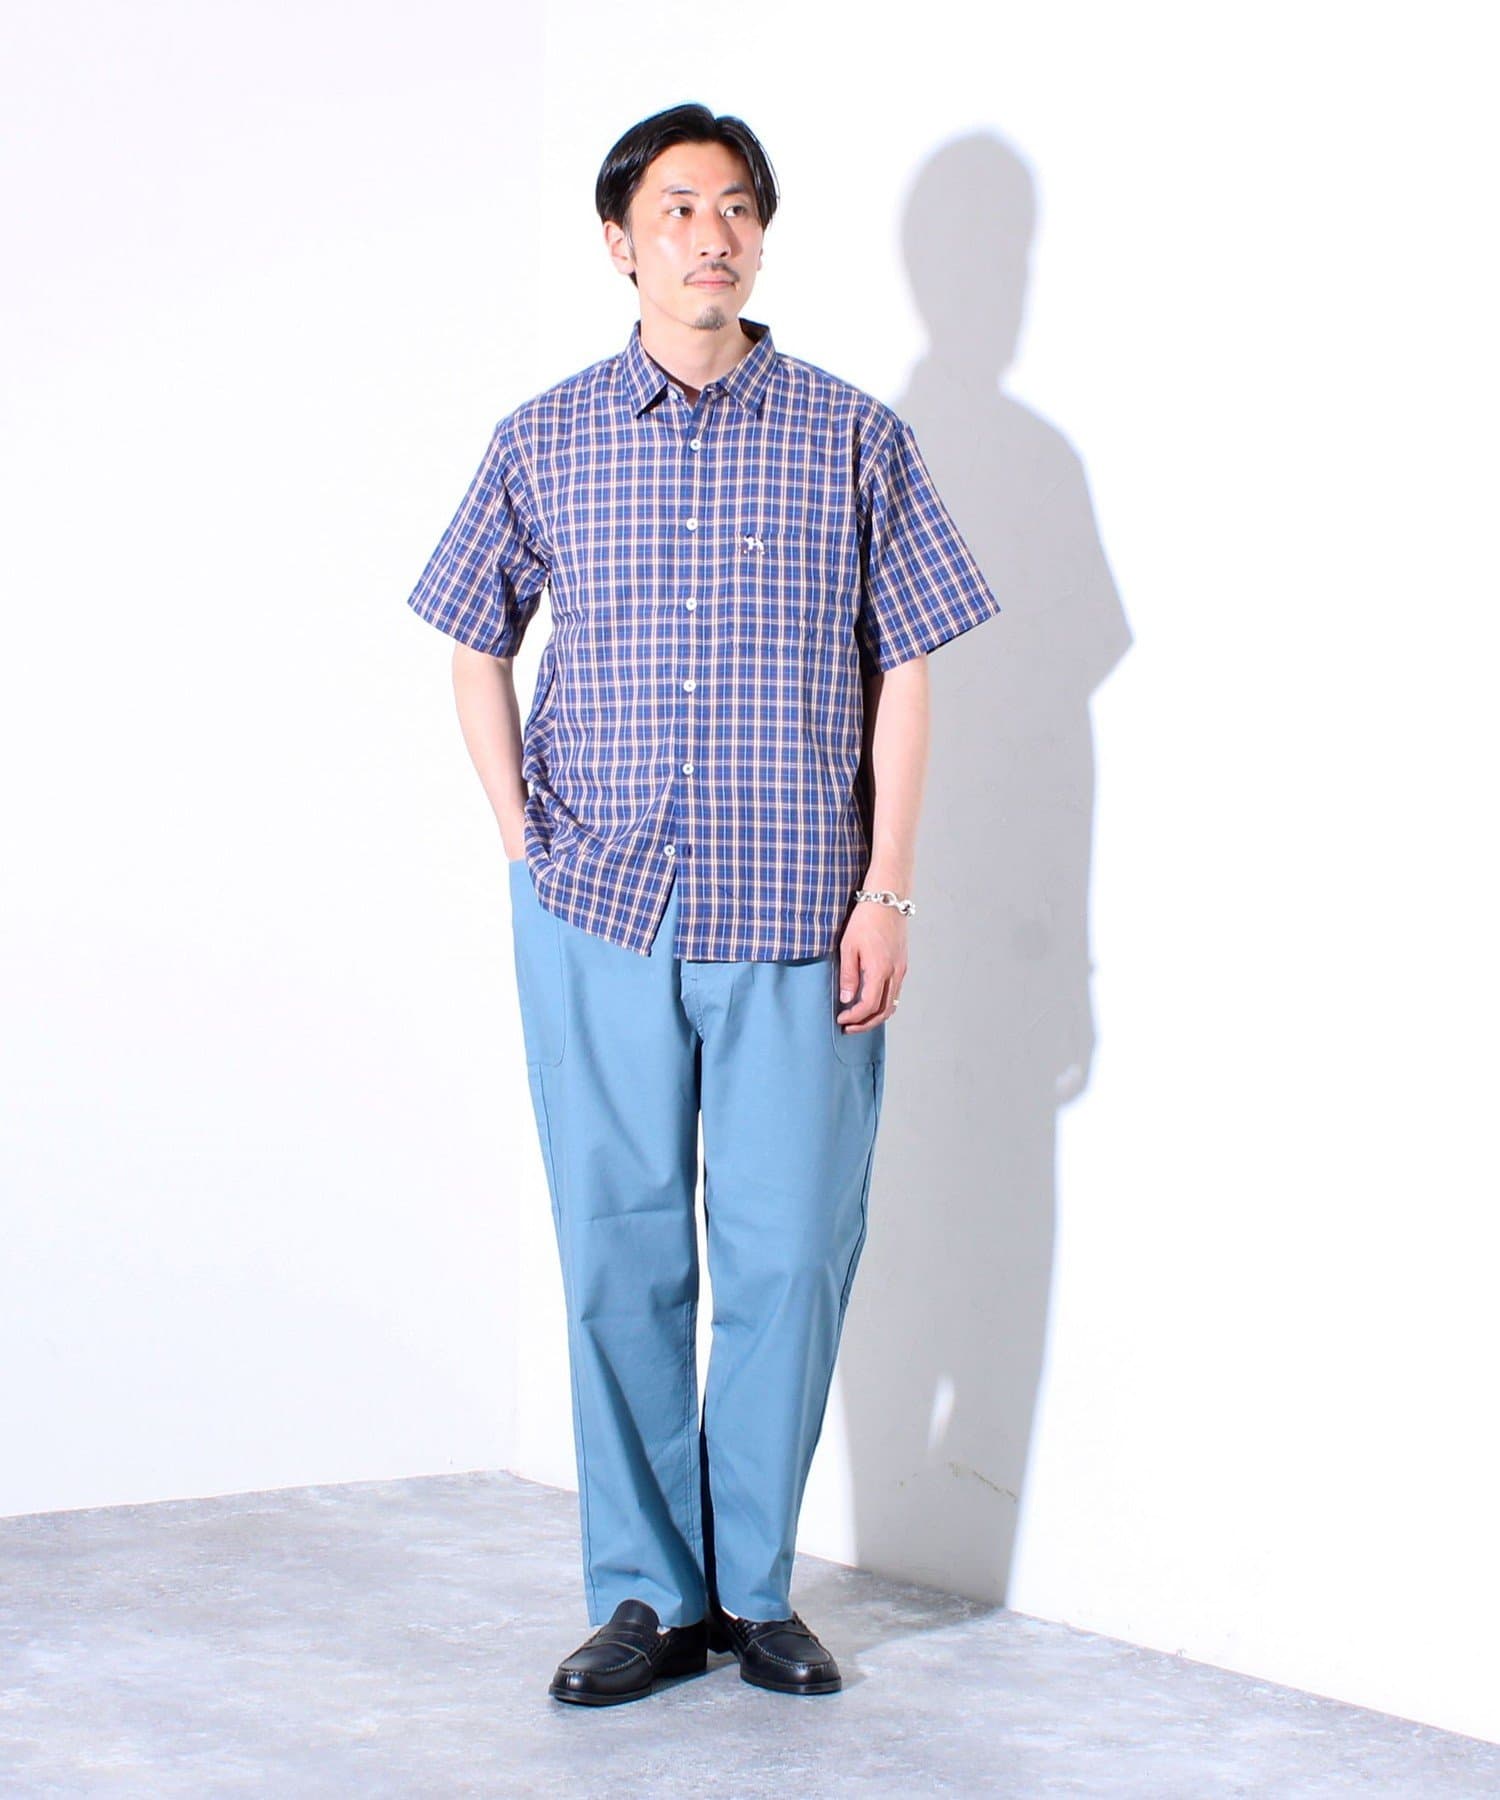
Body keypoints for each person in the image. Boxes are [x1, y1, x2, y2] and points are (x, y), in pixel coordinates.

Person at [405, 101, 1002, 1706]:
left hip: (802, 909)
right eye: (677, 208)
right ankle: (645, 1597)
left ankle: (756, 1592)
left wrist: (890, 887)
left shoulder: (853, 435)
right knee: (619, 1252)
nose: (709, 234)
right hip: (596, 908)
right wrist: (521, 838)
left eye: (735, 206)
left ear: (762, 235)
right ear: (622, 241)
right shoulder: (543, 438)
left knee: (790, 1253)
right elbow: (472, 639)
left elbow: (907, 671)